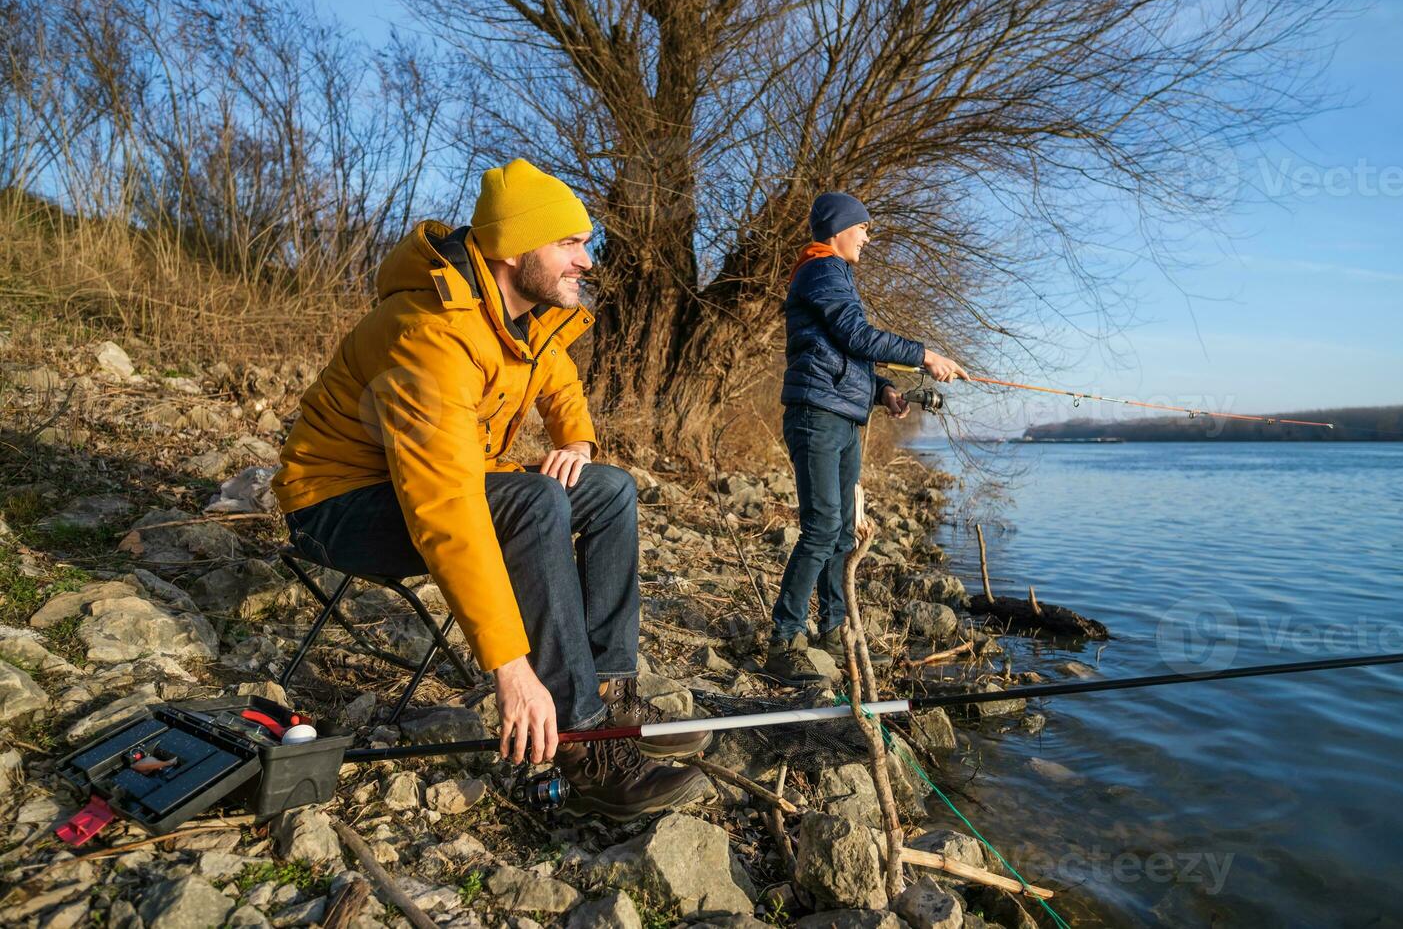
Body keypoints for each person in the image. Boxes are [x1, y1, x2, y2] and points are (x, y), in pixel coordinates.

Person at [272, 159, 709, 820]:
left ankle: (611, 692)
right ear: (512, 248)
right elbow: (445, 508)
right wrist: (510, 668)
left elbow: (557, 377)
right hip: (334, 504)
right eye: (570, 243)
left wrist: (577, 442)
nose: (586, 261)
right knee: (536, 501)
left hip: (437, 476)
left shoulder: (519, 316)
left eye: (584, 243)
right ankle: (585, 744)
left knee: (609, 488)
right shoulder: (431, 335)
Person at [765, 192, 969, 684]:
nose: (868, 237)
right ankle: (784, 638)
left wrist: (884, 391)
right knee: (820, 527)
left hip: (840, 416)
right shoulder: (821, 269)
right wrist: (925, 355)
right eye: (863, 228)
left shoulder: (835, 275)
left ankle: (833, 630)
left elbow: (844, 352)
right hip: (818, 416)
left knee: (839, 531)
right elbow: (858, 336)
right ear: (838, 228)